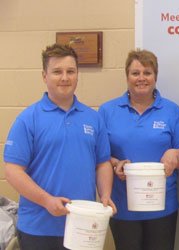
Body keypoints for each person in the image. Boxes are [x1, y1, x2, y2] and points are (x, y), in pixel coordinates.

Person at [3, 43, 115, 250]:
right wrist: (46, 200)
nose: (65, 78)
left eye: (70, 71)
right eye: (57, 72)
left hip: (83, 225)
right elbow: (12, 171)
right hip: (39, 229)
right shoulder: (28, 119)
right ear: (44, 76)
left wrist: (106, 195)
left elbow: (102, 163)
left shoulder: (93, 118)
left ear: (77, 75)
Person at [98, 49, 179, 250]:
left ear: (155, 77)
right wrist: (116, 163)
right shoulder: (107, 111)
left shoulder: (171, 111)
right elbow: (98, 155)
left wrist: (175, 154)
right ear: (127, 77)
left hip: (162, 209)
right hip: (122, 208)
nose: (141, 78)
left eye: (147, 73)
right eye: (135, 73)